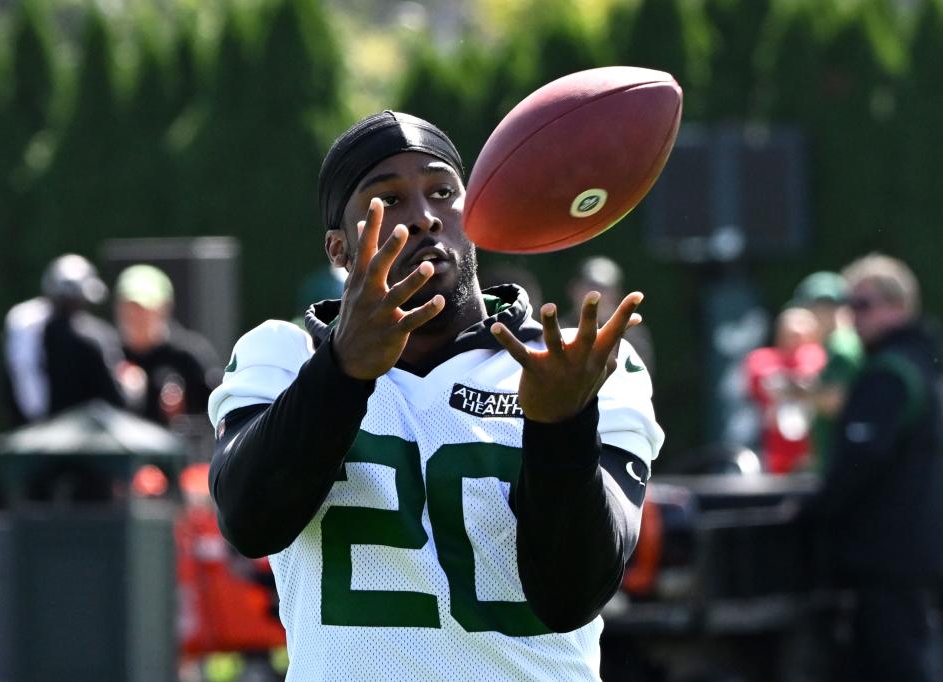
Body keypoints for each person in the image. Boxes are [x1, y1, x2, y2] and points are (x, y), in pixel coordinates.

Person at [207, 111, 663, 681]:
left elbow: (574, 594)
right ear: (339, 246)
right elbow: (251, 521)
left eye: (443, 192)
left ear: (473, 214)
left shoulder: (581, 361)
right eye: (388, 200)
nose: (423, 217)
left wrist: (561, 424)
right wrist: (342, 373)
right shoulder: (282, 355)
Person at [812, 253, 942, 682]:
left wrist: (813, 512)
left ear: (898, 306)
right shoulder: (924, 364)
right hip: (917, 552)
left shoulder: (890, 374)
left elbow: (857, 465)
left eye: (863, 305)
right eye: (850, 306)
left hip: (888, 559)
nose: (852, 316)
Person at [0, 253, 126, 426]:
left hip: (36, 437)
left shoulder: (22, 330)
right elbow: (116, 400)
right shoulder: (95, 337)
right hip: (90, 442)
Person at [114, 264, 222, 425]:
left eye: (142, 309)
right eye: (128, 308)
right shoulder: (110, 353)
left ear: (164, 309)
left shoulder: (189, 354)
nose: (133, 316)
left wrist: (182, 412)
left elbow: (220, 412)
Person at [790, 271, 863, 470]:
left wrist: (792, 390)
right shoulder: (836, 346)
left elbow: (838, 401)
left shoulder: (843, 348)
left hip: (846, 462)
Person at [743, 306, 826, 473]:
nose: (796, 337)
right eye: (791, 331)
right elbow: (764, 383)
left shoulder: (818, 354)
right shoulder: (761, 358)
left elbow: (808, 375)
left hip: (815, 448)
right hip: (774, 450)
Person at [565, 256, 655, 373]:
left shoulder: (632, 335)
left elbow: (639, 378)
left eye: (603, 288)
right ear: (574, 289)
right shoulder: (559, 330)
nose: (596, 293)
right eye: (589, 286)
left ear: (617, 294)